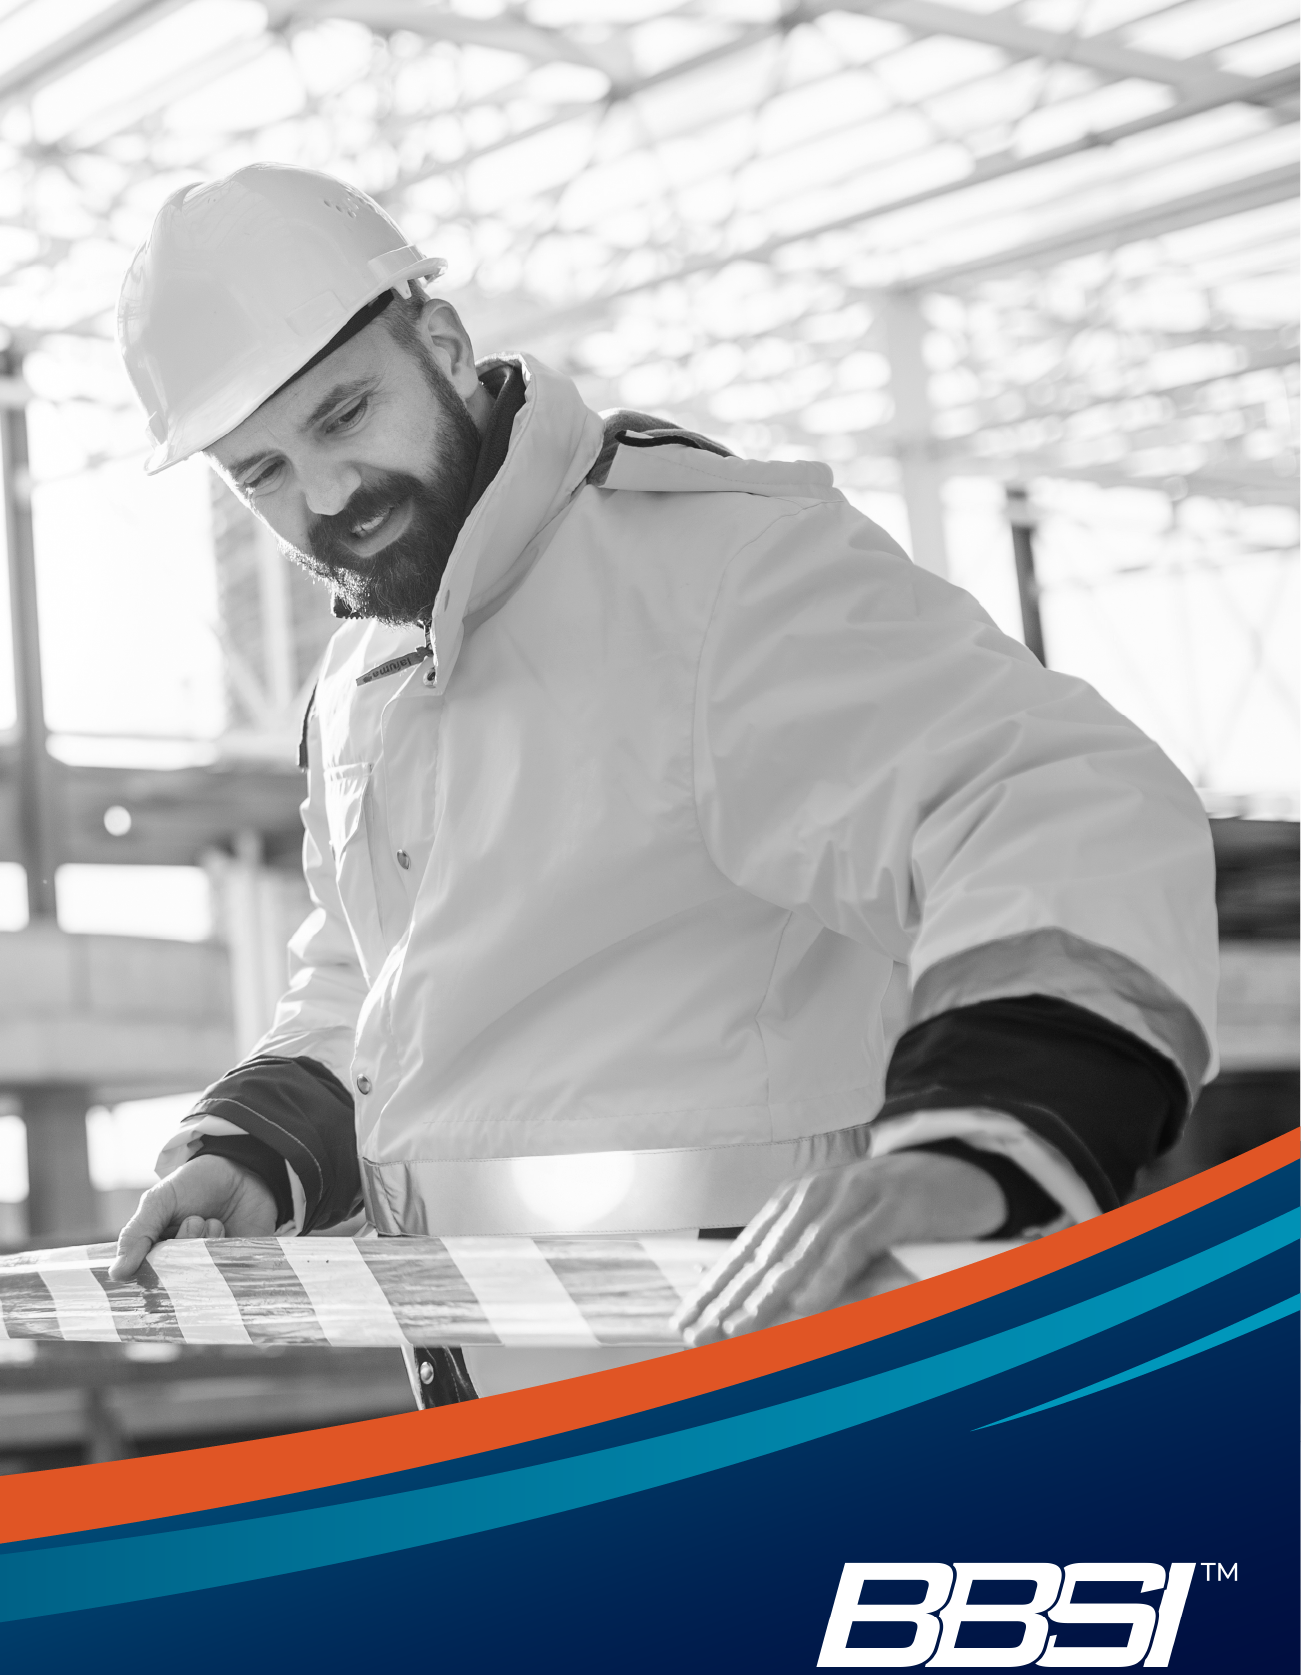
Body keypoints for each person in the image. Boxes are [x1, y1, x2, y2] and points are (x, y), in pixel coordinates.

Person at [107, 165, 1216, 1403]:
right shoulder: (363, 676)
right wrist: (258, 1149)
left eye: (344, 413)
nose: (322, 496)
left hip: (779, 1403)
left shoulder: (714, 570)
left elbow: (1054, 799)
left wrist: (984, 1140)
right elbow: (376, 982)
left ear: (445, 342)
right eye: (258, 471)